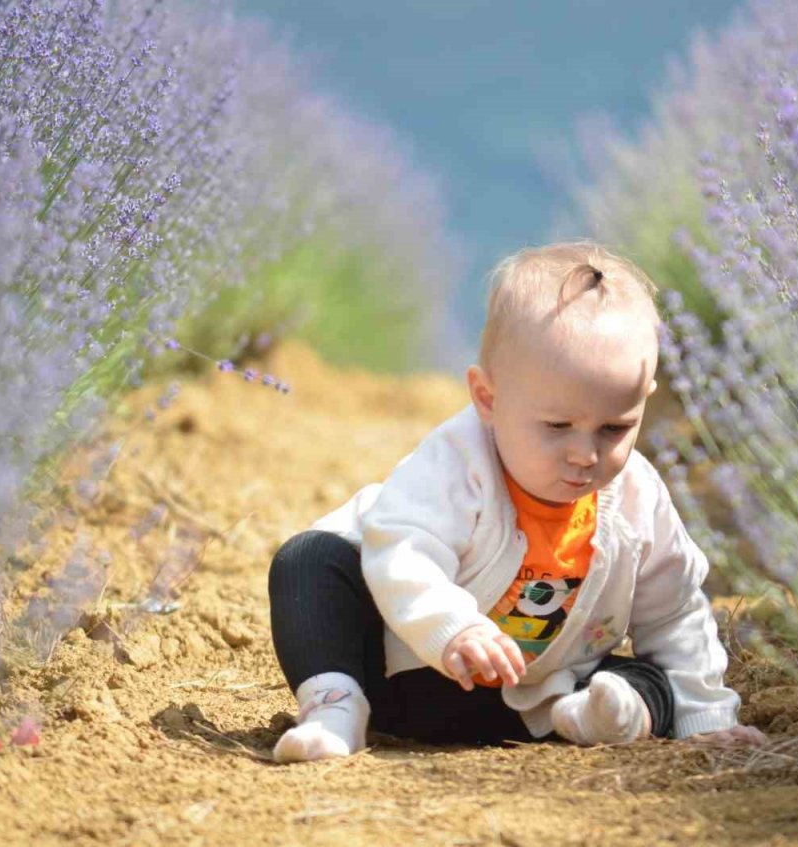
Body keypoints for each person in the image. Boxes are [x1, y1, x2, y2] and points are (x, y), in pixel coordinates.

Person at [267, 241, 768, 762]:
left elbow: (675, 614)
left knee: (651, 681)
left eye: (615, 428)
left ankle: (602, 718)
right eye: (556, 427)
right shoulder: (455, 464)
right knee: (307, 562)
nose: (584, 454)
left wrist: (706, 720)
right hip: (402, 672)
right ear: (488, 398)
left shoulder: (638, 499)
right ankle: (334, 710)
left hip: (537, 699)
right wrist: (453, 626)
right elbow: (403, 551)